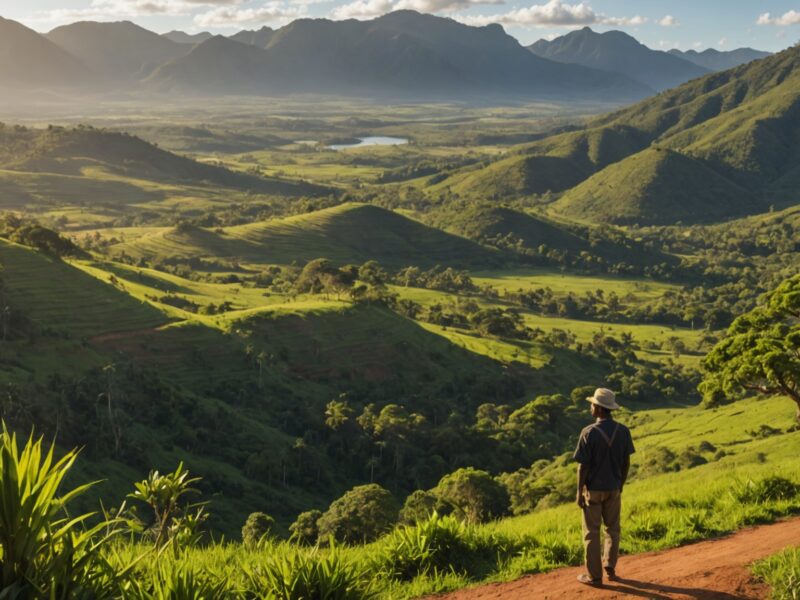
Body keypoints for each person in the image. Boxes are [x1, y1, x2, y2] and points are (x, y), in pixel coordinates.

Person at [573, 387, 635, 587]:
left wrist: (579, 492)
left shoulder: (588, 433)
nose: (590, 407)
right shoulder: (623, 431)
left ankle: (594, 576)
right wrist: (620, 484)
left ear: (599, 408)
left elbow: (583, 466)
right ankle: (610, 565)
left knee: (591, 532)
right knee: (613, 528)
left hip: (593, 490)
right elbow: (626, 462)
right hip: (614, 488)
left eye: (592, 404)